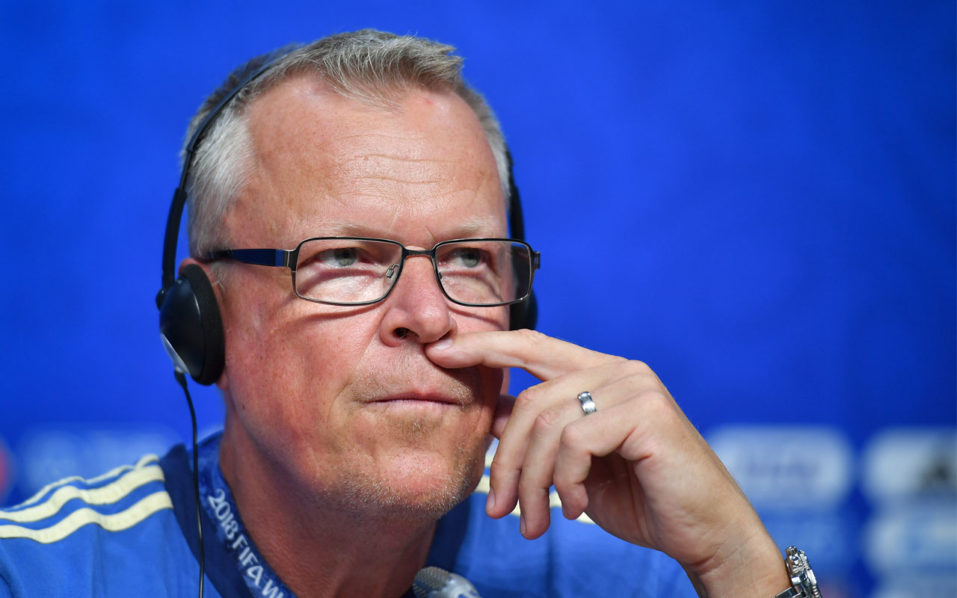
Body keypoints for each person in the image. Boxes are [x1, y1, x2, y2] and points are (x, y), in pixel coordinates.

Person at [0, 30, 799, 597]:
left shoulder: (633, 575)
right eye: (345, 257)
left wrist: (738, 566)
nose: (428, 315)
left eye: (467, 259)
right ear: (202, 319)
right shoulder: (36, 576)